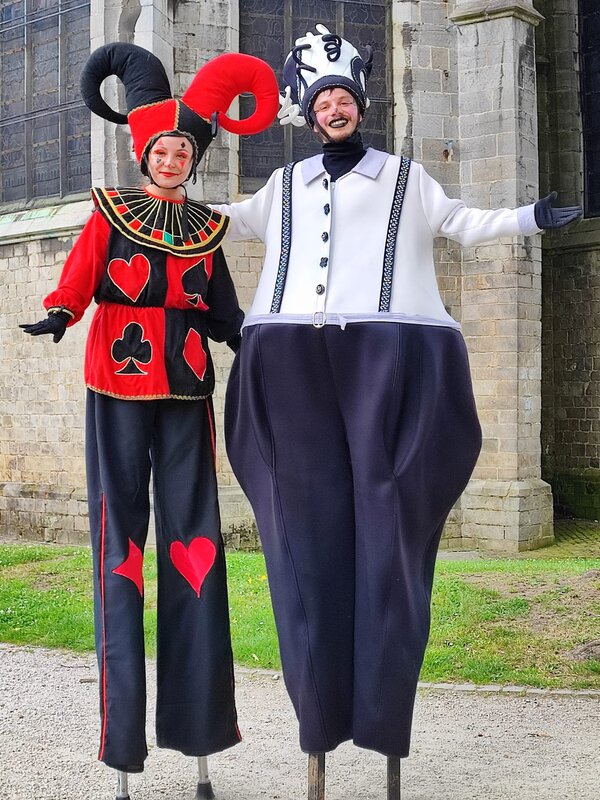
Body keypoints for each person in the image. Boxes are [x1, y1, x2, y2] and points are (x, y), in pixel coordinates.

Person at [211, 24, 582, 797]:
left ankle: (382, 724)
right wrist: (143, 200)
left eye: (345, 97)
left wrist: (528, 218)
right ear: (310, 114)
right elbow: (216, 220)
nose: (336, 108)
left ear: (361, 105)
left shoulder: (407, 179)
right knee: (299, 548)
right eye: (324, 101)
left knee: (391, 542)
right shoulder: (281, 188)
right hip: (286, 359)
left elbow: (463, 224)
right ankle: (318, 724)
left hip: (393, 356)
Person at [20, 42, 278, 798]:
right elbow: (82, 275)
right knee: (120, 553)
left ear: (191, 161)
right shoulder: (109, 213)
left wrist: (264, 338)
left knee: (196, 548)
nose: (170, 160)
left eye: (181, 152)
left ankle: (201, 740)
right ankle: (122, 749)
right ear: (143, 154)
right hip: (118, 387)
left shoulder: (204, 227)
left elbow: (226, 311)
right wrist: (61, 312)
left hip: (188, 392)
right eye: (160, 150)